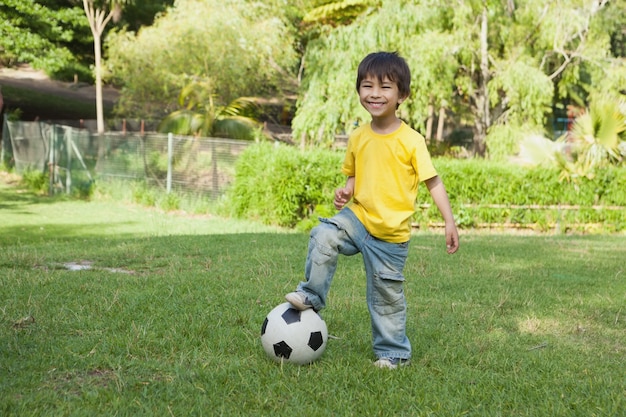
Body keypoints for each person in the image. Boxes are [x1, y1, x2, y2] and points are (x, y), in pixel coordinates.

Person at [285, 51, 459, 369]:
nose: (375, 94)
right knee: (324, 233)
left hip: (391, 236)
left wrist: (449, 221)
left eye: (385, 87)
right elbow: (354, 172)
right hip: (359, 218)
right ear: (359, 91)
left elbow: (433, 181)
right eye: (367, 86)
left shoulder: (412, 141)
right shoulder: (358, 137)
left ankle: (392, 353)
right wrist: (347, 190)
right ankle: (311, 294)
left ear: (402, 95)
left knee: (386, 297)